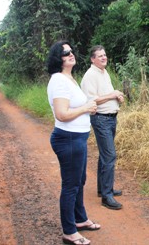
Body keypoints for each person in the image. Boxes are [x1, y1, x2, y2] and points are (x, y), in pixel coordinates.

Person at [47, 40, 100, 245]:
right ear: (57, 59)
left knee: (80, 181)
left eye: (71, 51)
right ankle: (69, 231)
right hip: (67, 139)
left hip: (78, 137)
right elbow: (61, 114)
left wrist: (87, 107)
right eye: (65, 53)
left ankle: (80, 219)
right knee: (70, 185)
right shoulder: (58, 80)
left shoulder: (69, 79)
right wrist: (86, 108)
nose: (71, 54)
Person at [81, 45, 125, 210]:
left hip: (111, 118)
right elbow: (91, 100)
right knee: (110, 155)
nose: (103, 58)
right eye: (99, 56)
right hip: (100, 119)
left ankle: (103, 189)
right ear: (93, 59)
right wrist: (112, 95)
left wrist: (117, 95)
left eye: (104, 55)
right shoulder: (90, 76)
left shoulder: (103, 72)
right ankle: (107, 197)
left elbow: (107, 93)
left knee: (105, 155)